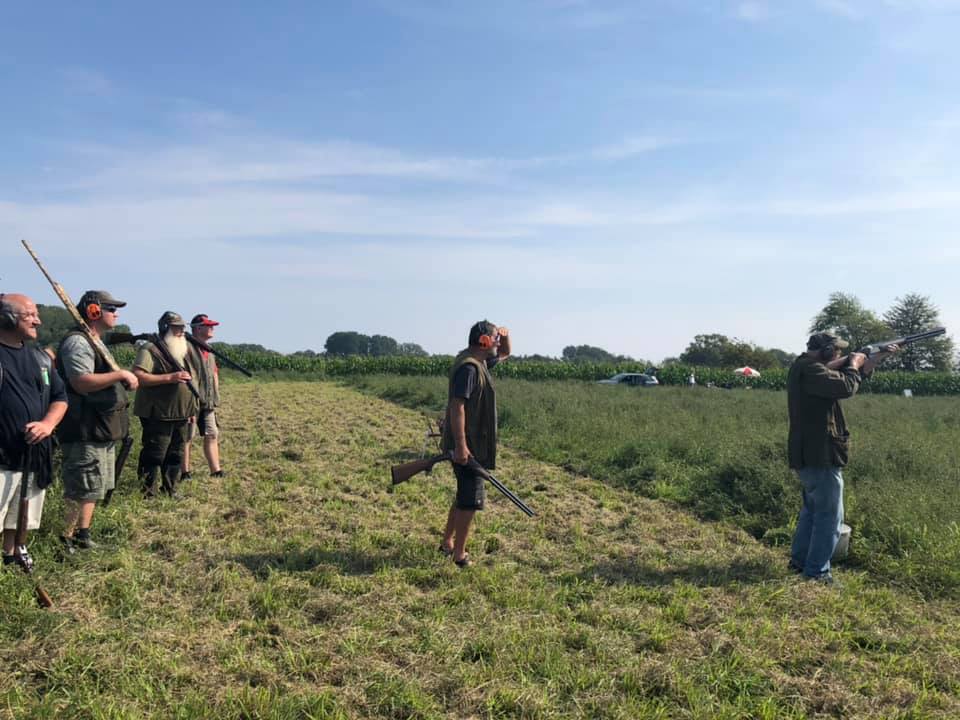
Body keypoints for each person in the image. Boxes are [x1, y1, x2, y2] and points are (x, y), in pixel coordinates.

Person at [787, 331, 896, 584]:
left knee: (812, 511)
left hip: (810, 453)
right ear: (826, 352)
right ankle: (817, 573)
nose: (839, 355)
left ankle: (800, 562)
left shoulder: (804, 366)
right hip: (820, 454)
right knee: (829, 517)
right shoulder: (812, 370)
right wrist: (854, 362)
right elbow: (845, 386)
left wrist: (875, 358)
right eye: (837, 351)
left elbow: (850, 376)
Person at [56, 290, 139, 551]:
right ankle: (64, 540)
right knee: (79, 486)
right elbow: (81, 382)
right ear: (93, 311)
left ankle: (82, 535)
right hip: (84, 427)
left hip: (100, 427)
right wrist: (119, 375)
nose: (116, 314)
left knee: (92, 486)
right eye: (111, 309)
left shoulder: (94, 340)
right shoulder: (78, 342)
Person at [0, 293, 67, 565]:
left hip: (32, 456)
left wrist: (47, 423)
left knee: (19, 519)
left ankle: (9, 559)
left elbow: (60, 398)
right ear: (6, 318)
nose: (37, 321)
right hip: (1, 458)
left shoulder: (40, 359)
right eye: (29, 315)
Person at [439, 320, 511, 567]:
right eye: (495, 338)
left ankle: (447, 542)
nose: (497, 343)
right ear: (484, 341)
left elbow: (505, 353)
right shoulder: (470, 369)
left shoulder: (477, 362)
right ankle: (459, 555)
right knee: (470, 502)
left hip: (469, 443)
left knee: (464, 495)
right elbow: (457, 406)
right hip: (468, 445)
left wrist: (505, 336)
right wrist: (461, 445)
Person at [132, 312, 200, 498]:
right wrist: (170, 377)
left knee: (176, 454)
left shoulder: (183, 350)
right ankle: (148, 493)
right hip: (158, 412)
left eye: (182, 327)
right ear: (165, 328)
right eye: (176, 327)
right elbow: (138, 376)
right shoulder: (150, 349)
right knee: (155, 454)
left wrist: (191, 408)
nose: (182, 331)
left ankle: (171, 489)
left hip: (181, 412)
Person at [182, 314, 223, 480]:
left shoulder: (209, 350)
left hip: (208, 401)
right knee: (187, 436)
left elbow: (214, 373)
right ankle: (185, 472)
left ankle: (216, 470)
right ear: (198, 328)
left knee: (212, 433)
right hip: (191, 401)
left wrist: (215, 395)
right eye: (208, 325)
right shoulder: (186, 348)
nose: (212, 328)